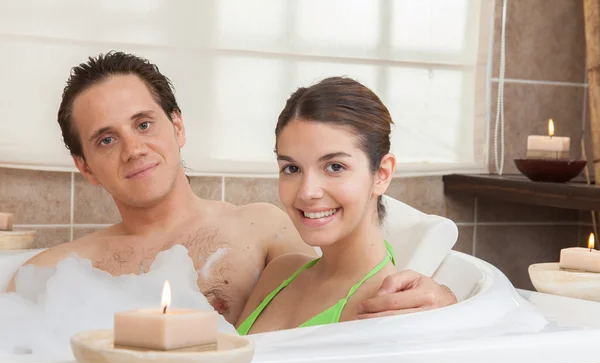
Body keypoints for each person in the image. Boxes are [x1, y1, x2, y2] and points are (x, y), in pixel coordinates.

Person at [6, 52, 456, 326]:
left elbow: (351, 271)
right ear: (83, 166)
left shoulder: (262, 230)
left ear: (177, 126)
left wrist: (448, 302)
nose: (134, 149)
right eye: (107, 139)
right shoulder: (57, 270)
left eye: (144, 124)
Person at [236, 77, 450, 334]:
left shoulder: (384, 310)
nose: (307, 192)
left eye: (335, 167)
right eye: (292, 168)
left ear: (382, 174)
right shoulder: (279, 275)